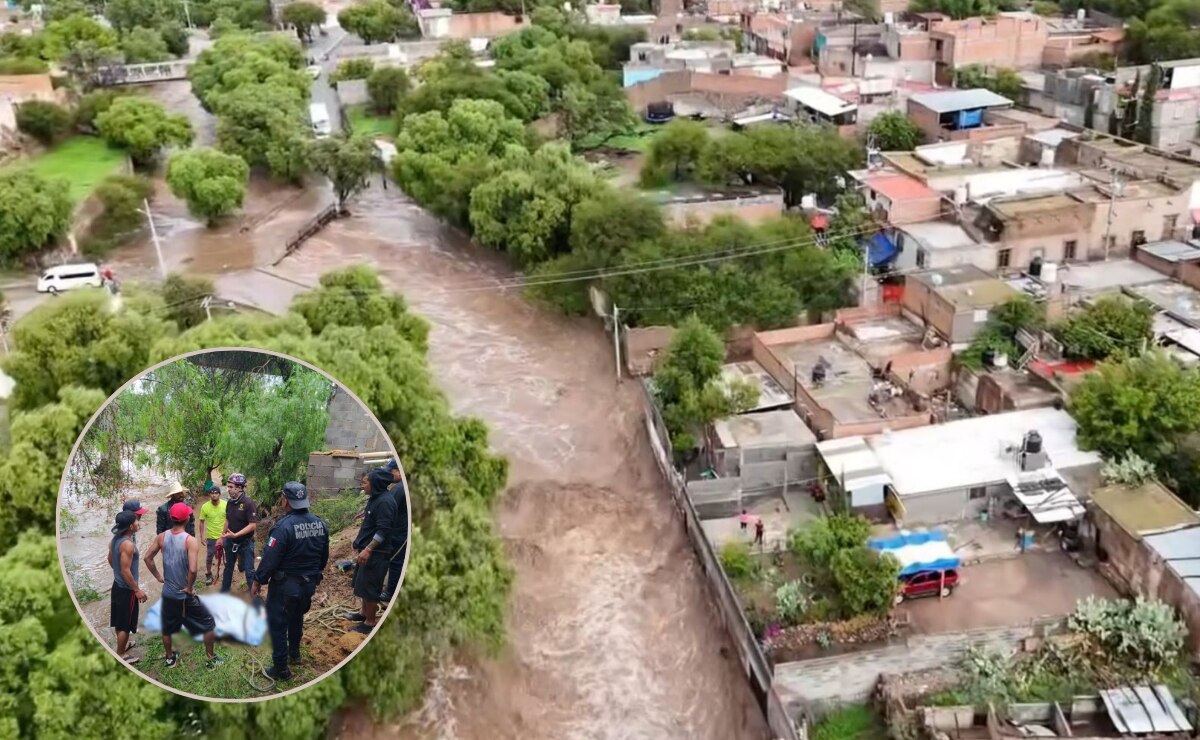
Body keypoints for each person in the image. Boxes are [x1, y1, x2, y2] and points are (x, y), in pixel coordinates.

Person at [252, 482, 330, 682]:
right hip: (309, 584)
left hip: (285, 586)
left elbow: (270, 559)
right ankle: (294, 653)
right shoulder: (319, 524)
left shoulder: (283, 527)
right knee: (296, 617)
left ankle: (280, 669)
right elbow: (323, 557)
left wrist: (258, 580)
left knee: (278, 623)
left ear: (285, 500)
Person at [144, 502, 223, 669]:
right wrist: (189, 587)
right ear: (187, 519)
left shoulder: (162, 536)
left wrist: (158, 576)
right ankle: (210, 659)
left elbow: (147, 558)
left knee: (167, 627)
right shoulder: (190, 540)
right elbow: (193, 569)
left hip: (168, 593)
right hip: (183, 595)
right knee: (208, 624)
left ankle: (170, 658)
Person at [346, 468, 397, 635]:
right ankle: (363, 614)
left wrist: (368, 549)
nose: (362, 485)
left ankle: (369, 622)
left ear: (375, 484)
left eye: (365, 482)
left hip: (377, 554)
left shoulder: (385, 502)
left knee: (371, 588)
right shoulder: (375, 498)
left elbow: (383, 530)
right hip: (367, 551)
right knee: (363, 584)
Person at [108, 511, 147, 664]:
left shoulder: (114, 539)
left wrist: (118, 574)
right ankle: (121, 655)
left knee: (120, 621)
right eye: (136, 521)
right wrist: (136, 590)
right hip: (126, 590)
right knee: (124, 624)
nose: (138, 523)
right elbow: (125, 570)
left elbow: (110, 559)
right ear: (131, 526)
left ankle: (123, 645)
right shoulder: (128, 545)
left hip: (117, 585)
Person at [221, 473, 258, 593]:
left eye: (231, 487)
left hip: (246, 543)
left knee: (249, 570)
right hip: (230, 541)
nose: (228, 489)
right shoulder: (230, 502)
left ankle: (254, 597)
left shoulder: (249, 503)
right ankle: (224, 592)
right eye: (228, 487)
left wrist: (236, 535)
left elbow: (252, 525)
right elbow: (227, 519)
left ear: (240, 488)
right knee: (228, 567)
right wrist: (222, 536)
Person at [380, 459, 409, 604]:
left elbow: (388, 512)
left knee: (396, 562)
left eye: (391, 472)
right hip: (403, 531)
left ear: (399, 471)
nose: (390, 477)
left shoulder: (398, 489)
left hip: (399, 533)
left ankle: (390, 592)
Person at [197, 485, 228, 586]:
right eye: (212, 493)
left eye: (216, 493)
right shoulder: (205, 506)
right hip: (211, 537)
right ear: (209, 494)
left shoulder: (226, 505)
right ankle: (209, 575)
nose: (214, 495)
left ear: (219, 494)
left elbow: (229, 520)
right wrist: (201, 536)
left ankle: (227, 574)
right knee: (209, 556)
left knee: (227, 556)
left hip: (224, 536)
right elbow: (201, 522)